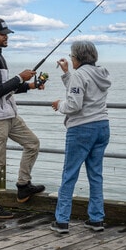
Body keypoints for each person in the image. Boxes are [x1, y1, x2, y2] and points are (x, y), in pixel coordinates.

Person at [0, 17, 46, 218]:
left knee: (32, 143)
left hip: (8, 113)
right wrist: (21, 77)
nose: (6, 37)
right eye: (2, 34)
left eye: (7, 33)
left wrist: (30, 85)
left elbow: (6, 88)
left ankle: (23, 185)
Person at [50, 40, 111, 234]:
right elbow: (83, 90)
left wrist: (59, 105)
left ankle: (61, 221)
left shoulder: (80, 75)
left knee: (69, 175)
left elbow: (74, 105)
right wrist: (66, 73)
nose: (71, 58)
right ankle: (96, 218)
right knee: (96, 174)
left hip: (81, 129)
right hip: (102, 126)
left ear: (78, 57)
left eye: (71, 56)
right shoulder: (101, 73)